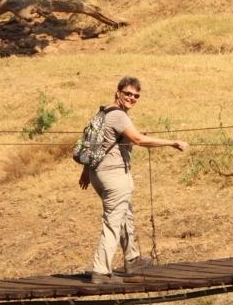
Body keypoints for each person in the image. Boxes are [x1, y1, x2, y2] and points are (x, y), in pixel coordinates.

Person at [79, 76, 189, 284]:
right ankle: (101, 271)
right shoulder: (118, 116)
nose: (132, 98)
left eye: (136, 95)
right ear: (118, 92)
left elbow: (95, 145)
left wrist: (86, 170)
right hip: (115, 176)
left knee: (124, 216)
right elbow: (138, 139)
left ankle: (133, 259)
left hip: (98, 174)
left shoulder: (103, 113)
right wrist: (172, 142)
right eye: (128, 93)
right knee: (113, 221)